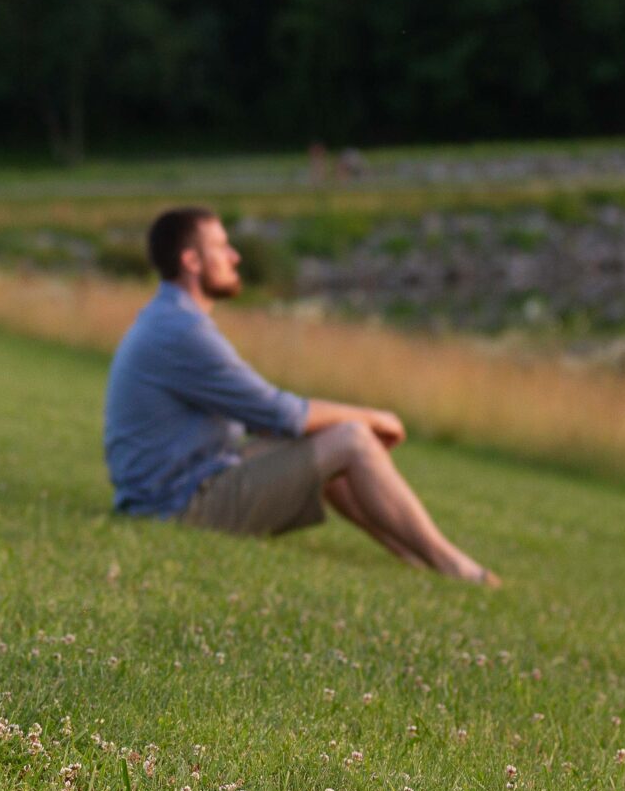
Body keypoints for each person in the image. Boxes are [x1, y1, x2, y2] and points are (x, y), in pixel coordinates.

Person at [103, 206, 498, 585]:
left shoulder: (169, 319)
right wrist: (376, 417)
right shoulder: (183, 331)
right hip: (176, 508)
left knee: (327, 438)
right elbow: (280, 414)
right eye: (221, 247)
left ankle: (416, 556)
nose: (235, 256)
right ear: (191, 261)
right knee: (352, 438)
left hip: (169, 492)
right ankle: (452, 564)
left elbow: (271, 417)